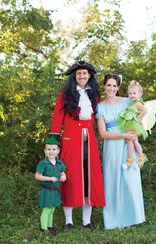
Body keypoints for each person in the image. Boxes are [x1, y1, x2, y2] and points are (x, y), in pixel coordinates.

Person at [49, 61, 105, 230]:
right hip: (70, 140)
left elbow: (101, 118)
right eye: (79, 73)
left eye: (85, 74)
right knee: (71, 177)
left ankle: (86, 221)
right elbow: (57, 119)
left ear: (90, 76)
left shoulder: (95, 95)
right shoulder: (65, 95)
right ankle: (69, 221)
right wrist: (52, 143)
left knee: (90, 177)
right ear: (75, 76)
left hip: (90, 141)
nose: (82, 76)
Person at [96, 74, 146, 230]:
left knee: (129, 180)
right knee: (112, 182)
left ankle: (132, 217)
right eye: (108, 85)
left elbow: (140, 114)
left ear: (118, 87)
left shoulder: (127, 101)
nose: (111, 88)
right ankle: (113, 221)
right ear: (104, 86)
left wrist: (135, 130)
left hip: (128, 145)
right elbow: (103, 134)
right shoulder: (100, 106)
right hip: (112, 146)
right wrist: (123, 135)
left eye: (114, 86)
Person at [35, 136, 67, 235]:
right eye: (48, 149)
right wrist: (49, 178)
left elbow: (63, 172)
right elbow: (37, 176)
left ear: (58, 151)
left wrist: (63, 176)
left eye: (54, 149)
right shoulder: (43, 163)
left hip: (56, 190)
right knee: (46, 209)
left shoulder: (59, 163)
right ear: (45, 151)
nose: (51, 151)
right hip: (47, 190)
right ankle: (44, 229)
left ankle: (50, 226)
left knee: (52, 209)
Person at [117, 80, 148, 169]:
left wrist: (138, 119)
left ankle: (130, 159)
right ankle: (141, 157)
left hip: (134, 124)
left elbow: (145, 110)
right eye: (130, 93)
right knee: (134, 141)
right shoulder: (132, 103)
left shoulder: (138, 104)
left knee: (130, 140)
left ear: (140, 94)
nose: (132, 95)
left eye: (134, 93)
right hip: (131, 124)